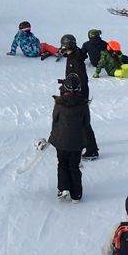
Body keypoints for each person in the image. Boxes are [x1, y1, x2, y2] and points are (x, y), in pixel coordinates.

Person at [49, 73, 89, 202]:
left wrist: (53, 136)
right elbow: (86, 122)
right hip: (77, 141)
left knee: (62, 164)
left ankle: (64, 188)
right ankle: (76, 194)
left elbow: (55, 120)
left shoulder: (59, 104)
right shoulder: (83, 104)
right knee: (74, 166)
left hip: (61, 140)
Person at [59, 34, 99, 160]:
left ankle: (92, 150)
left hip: (78, 95)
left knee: (83, 122)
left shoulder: (75, 59)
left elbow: (81, 79)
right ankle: (78, 142)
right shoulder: (73, 55)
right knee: (77, 120)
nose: (63, 48)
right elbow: (73, 76)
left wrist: (77, 94)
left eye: (65, 46)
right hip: (74, 92)